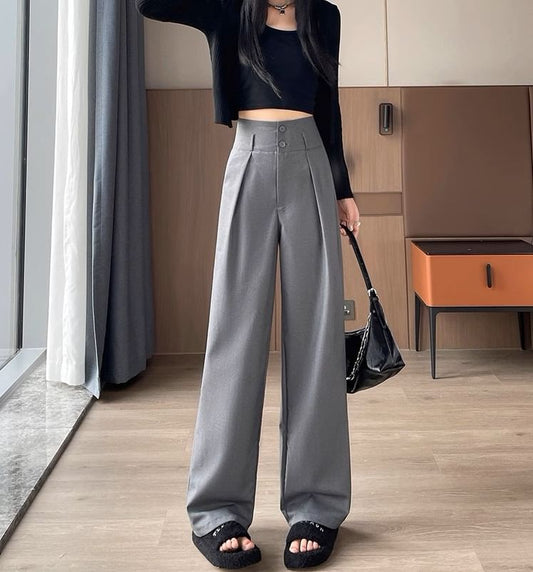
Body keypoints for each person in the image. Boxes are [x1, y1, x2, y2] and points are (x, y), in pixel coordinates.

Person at [136, 0, 361, 568]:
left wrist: (342, 187)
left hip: (311, 162)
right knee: (233, 336)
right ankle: (217, 510)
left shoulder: (324, 15)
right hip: (250, 158)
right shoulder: (226, 9)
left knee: (316, 338)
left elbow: (329, 105)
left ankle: (316, 505)